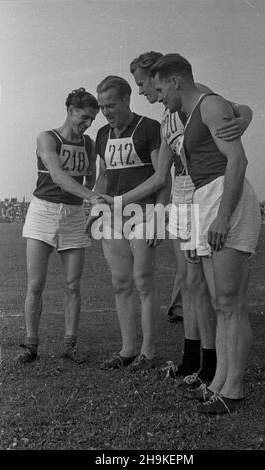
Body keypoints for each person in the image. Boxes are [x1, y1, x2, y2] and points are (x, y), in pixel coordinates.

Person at [100, 51, 253, 389]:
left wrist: (244, 117)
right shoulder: (168, 115)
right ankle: (193, 359)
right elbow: (159, 176)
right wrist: (120, 202)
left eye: (143, 84)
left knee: (206, 288)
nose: (143, 91)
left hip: (204, 190)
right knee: (189, 283)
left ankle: (212, 364)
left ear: (163, 79)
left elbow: (233, 110)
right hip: (187, 197)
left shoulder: (193, 99)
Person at [149, 53, 261, 414]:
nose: (159, 94)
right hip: (203, 198)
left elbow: (238, 161)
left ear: (176, 81)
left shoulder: (209, 105)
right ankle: (219, 382)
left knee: (230, 303)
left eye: (161, 87)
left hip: (224, 198)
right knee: (219, 304)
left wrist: (223, 217)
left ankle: (235, 389)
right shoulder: (182, 116)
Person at [16, 88, 101, 364]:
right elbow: (58, 175)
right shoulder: (47, 138)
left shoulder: (89, 144)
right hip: (43, 211)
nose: (88, 124)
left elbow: (92, 179)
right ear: (70, 110)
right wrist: (91, 196)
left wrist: (91, 202)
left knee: (73, 284)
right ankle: (31, 345)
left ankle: (69, 344)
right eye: (84, 117)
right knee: (36, 283)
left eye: (92, 120)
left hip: (74, 215)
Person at [91, 75, 167, 371]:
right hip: (112, 216)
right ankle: (127, 349)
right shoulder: (101, 135)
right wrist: (96, 205)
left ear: (126, 99)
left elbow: (162, 177)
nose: (106, 112)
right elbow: (104, 176)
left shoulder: (149, 128)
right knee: (120, 282)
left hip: (144, 213)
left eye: (110, 105)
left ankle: (148, 353)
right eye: (101, 107)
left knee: (144, 283)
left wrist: (160, 215)